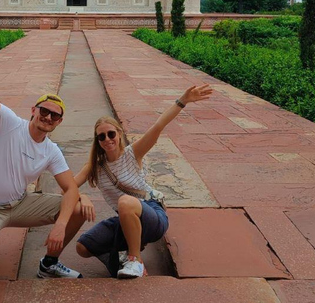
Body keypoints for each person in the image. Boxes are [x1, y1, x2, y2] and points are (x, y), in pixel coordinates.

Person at [0, 20, 86, 278]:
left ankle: (49, 264)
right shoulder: (9, 124)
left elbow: (70, 188)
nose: (48, 117)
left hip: (20, 204)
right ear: (33, 111)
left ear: (59, 122)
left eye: (54, 116)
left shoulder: (51, 151)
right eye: (44, 111)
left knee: (77, 207)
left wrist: (61, 224)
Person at [73, 84, 213, 278]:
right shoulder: (95, 166)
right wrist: (82, 197)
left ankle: (135, 260)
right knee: (83, 246)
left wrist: (182, 101)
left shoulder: (132, 153)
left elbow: (158, 126)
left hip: (152, 215)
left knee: (125, 201)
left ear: (119, 133)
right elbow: (69, 186)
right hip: (126, 217)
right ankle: (125, 251)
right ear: (97, 141)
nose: (107, 139)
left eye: (111, 133)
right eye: (101, 136)